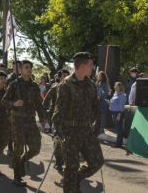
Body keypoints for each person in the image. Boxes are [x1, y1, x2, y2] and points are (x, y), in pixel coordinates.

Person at [52, 52, 104, 193]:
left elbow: (96, 108)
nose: (93, 67)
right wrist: (58, 131)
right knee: (71, 167)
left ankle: (75, 180)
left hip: (87, 131)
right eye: (91, 64)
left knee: (97, 162)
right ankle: (71, 187)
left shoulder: (91, 84)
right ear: (82, 66)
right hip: (70, 132)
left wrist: (96, 127)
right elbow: (58, 110)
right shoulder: (65, 85)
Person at [2, 59, 46, 187]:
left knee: (36, 147)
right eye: (26, 67)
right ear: (20, 70)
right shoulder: (14, 84)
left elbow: (39, 104)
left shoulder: (34, 86)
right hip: (18, 121)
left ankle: (22, 162)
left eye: (30, 67)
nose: (29, 69)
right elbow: (4, 101)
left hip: (31, 121)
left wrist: (43, 120)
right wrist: (14, 103)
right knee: (18, 148)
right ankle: (17, 176)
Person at [43, 69, 70, 171]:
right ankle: (59, 162)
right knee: (58, 141)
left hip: (68, 119)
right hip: (57, 119)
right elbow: (45, 102)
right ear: (59, 77)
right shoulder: (55, 88)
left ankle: (67, 162)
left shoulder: (71, 89)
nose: (66, 77)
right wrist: (48, 114)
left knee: (68, 141)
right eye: (64, 75)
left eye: (67, 75)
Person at [110, 82, 127, 148]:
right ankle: (119, 142)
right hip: (114, 112)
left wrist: (119, 114)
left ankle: (118, 143)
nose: (115, 87)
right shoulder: (115, 93)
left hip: (118, 113)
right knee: (117, 128)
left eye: (117, 86)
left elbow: (121, 106)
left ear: (120, 87)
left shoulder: (122, 95)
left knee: (118, 128)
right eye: (115, 85)